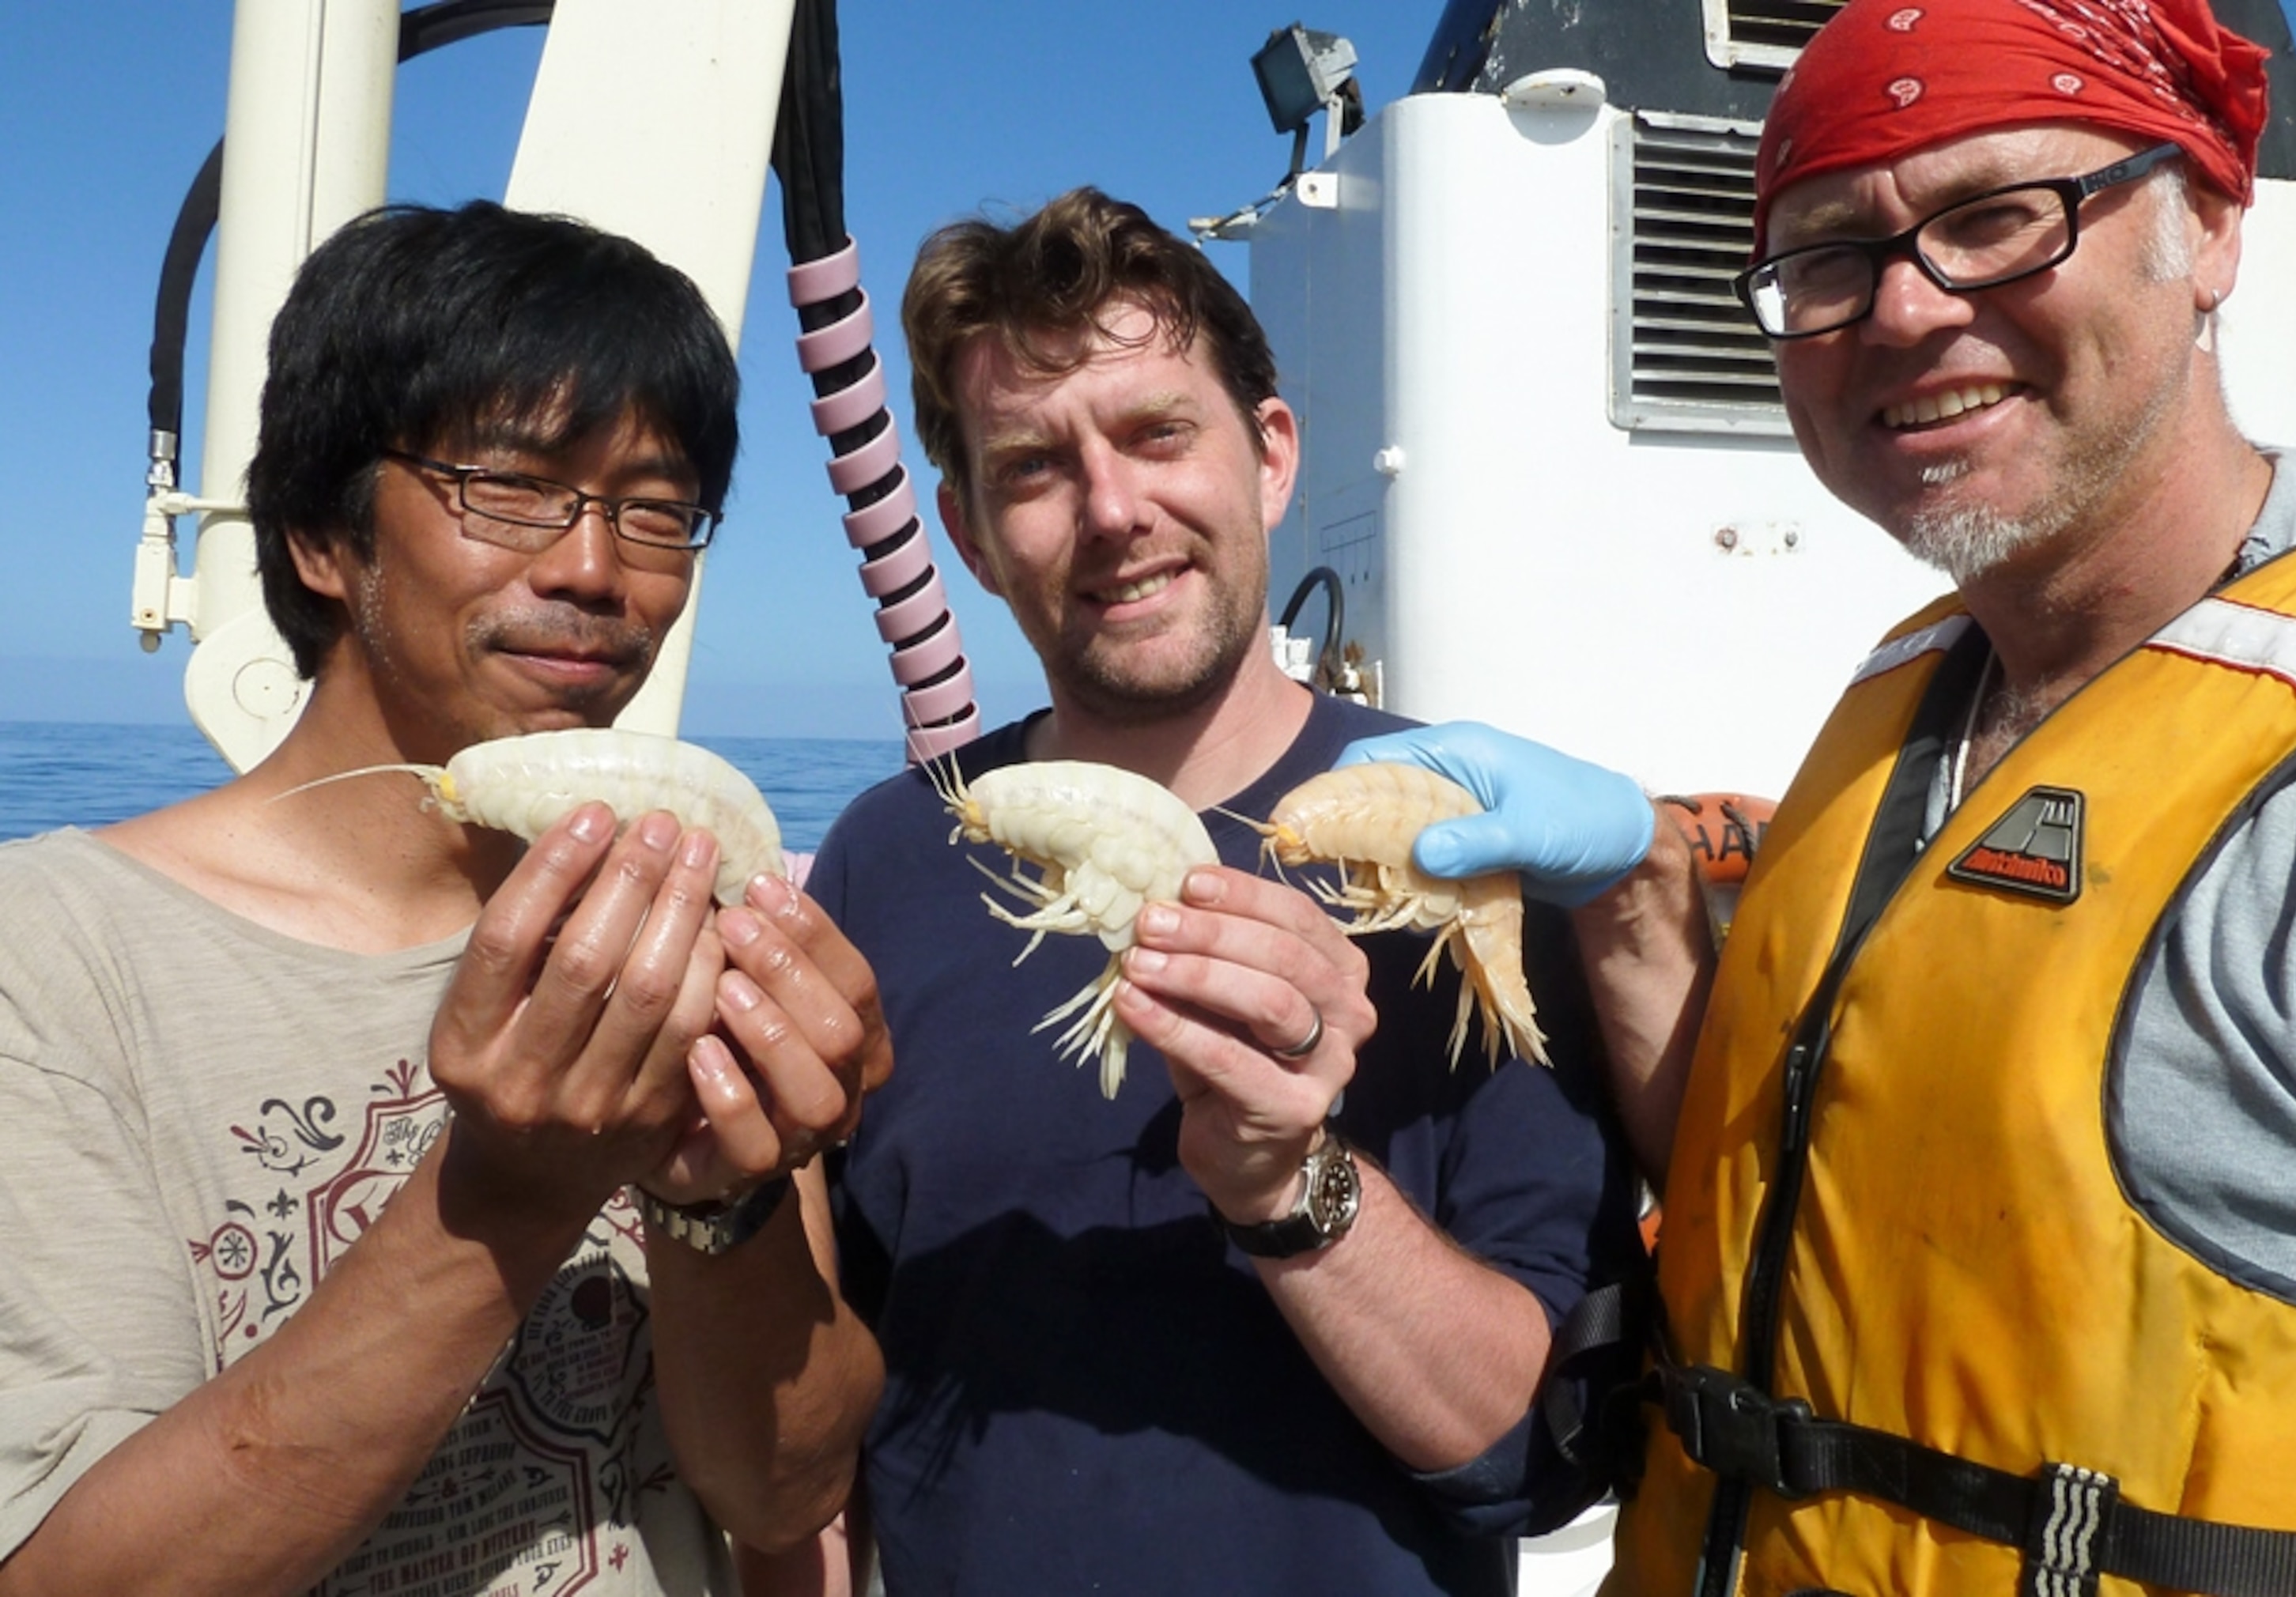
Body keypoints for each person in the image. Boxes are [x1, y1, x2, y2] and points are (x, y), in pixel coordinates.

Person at [1346, 0, 2296, 1591]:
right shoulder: (1917, 684)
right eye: (1833, 255)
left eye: (1998, 215)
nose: (1908, 310)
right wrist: (1639, 888)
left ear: (2207, 226)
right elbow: (1788, 1158)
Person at [0, 202, 886, 1597]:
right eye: (510, 486)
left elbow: (784, 1491)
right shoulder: (52, 956)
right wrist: (515, 1194)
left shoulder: (686, 925)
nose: (596, 569)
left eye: (654, 510)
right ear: (318, 534)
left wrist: (726, 1210)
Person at [806, 187, 1637, 1596]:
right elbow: (827, 1410)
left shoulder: (1455, 850)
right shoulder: (889, 859)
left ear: (1269, 456)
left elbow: (1528, 1443)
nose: (1115, 510)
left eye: (1157, 434)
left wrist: (1285, 1183)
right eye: (1032, 467)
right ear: (965, 528)